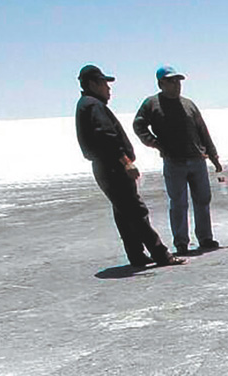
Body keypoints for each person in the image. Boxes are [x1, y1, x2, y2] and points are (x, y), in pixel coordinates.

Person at [75, 65, 184, 269]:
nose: (109, 89)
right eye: (104, 84)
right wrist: (126, 162)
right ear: (92, 84)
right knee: (135, 210)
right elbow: (107, 137)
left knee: (124, 213)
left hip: (106, 167)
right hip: (112, 167)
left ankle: (136, 254)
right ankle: (161, 254)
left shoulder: (87, 104)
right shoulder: (93, 105)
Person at [133, 66, 222, 255]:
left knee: (203, 199)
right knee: (179, 202)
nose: (176, 85)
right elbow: (138, 124)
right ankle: (181, 242)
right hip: (174, 162)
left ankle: (205, 238)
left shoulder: (188, 104)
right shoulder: (152, 103)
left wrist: (214, 157)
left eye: (178, 81)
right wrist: (155, 143)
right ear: (160, 83)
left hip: (197, 159)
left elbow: (202, 131)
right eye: (171, 81)